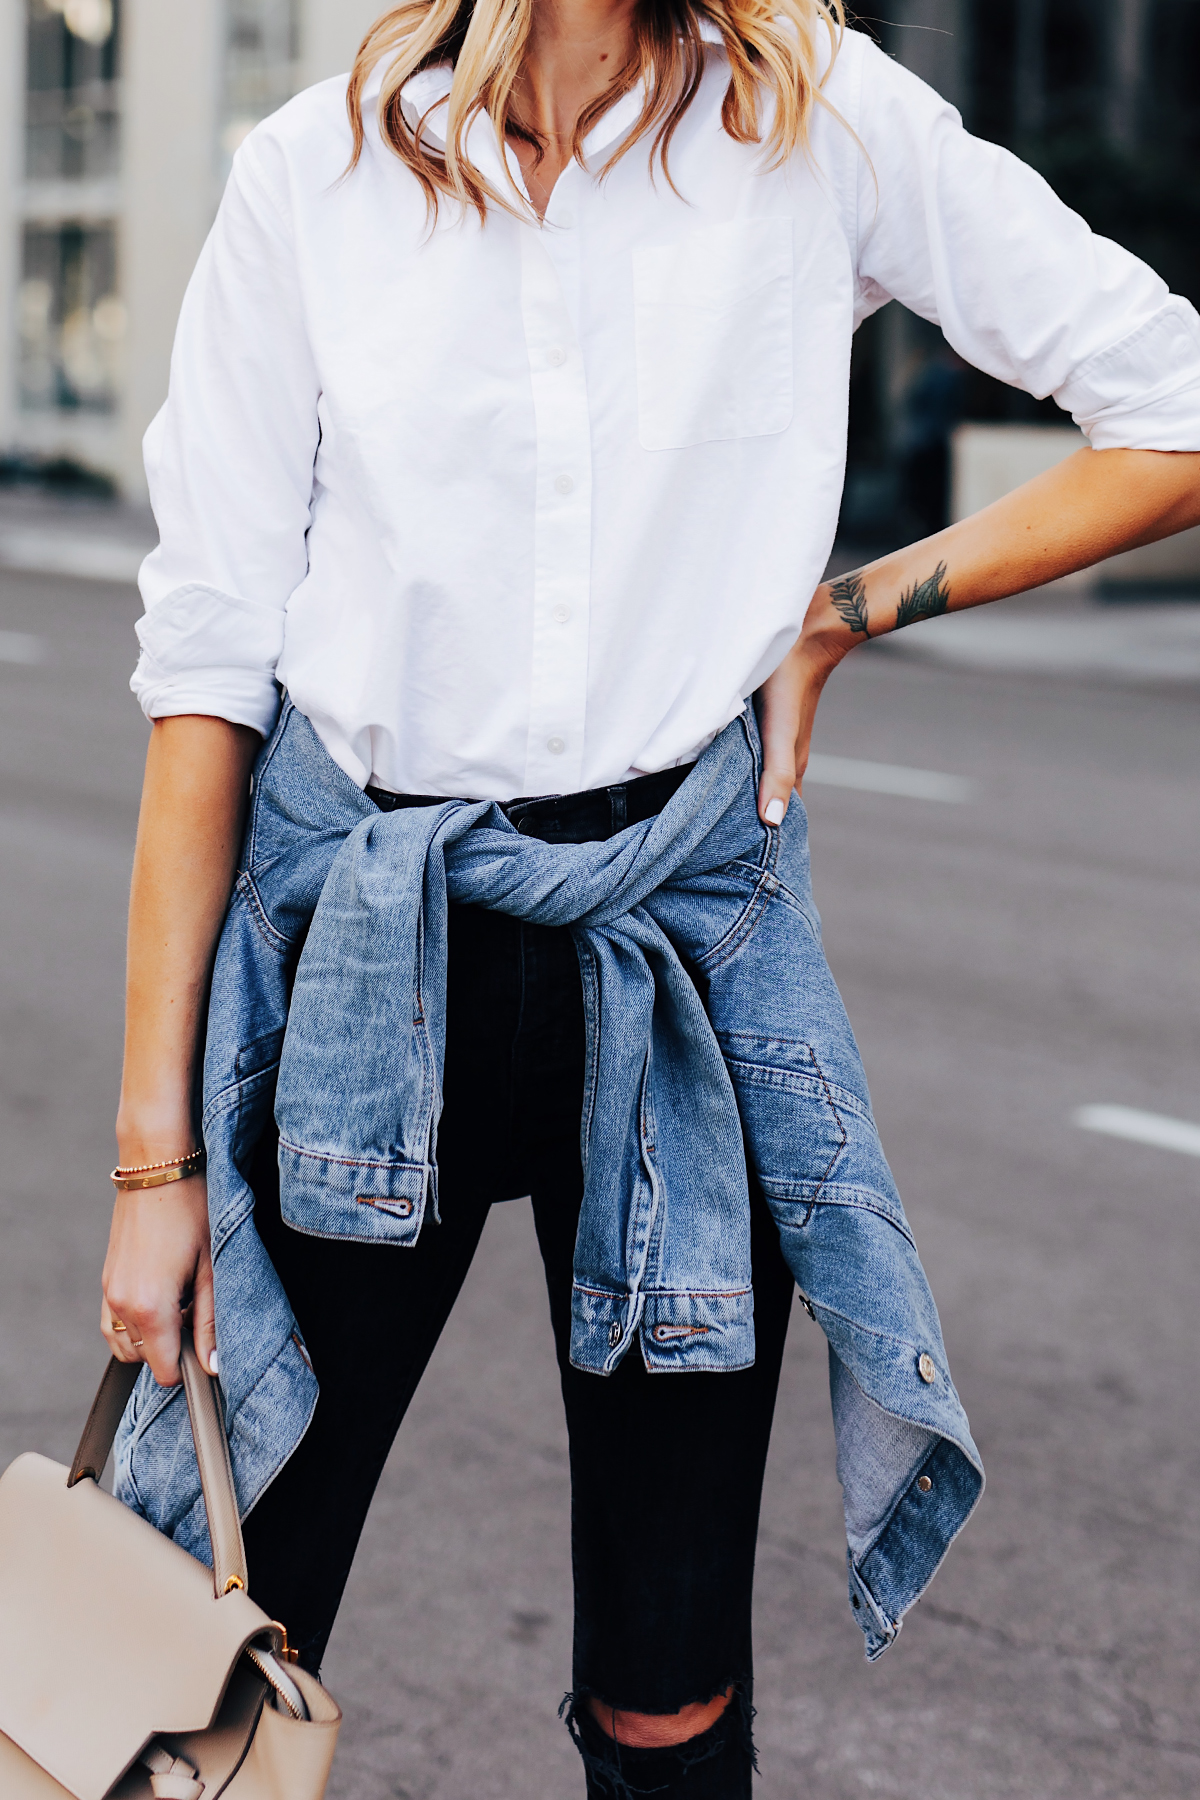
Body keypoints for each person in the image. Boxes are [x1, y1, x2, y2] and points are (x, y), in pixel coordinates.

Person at [100, 1, 1200, 1793]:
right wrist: (154, 1174)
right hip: (380, 964)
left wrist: (846, 614)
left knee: (668, 1690)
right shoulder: (313, 178)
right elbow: (205, 680)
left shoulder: (818, 123)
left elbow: (1176, 403)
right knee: (206, 1639)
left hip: (678, 967)